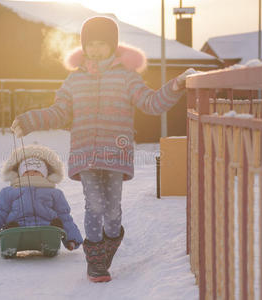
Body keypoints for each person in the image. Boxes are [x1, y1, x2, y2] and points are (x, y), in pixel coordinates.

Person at [11, 16, 196, 282]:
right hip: (85, 154)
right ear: (84, 46)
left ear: (113, 46)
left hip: (115, 156)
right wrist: (30, 121)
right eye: (91, 44)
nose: (96, 50)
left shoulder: (127, 77)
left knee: (112, 213)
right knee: (94, 205)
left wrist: (176, 85)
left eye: (102, 44)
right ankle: (95, 262)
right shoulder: (73, 81)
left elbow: (151, 103)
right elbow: (59, 112)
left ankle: (110, 242)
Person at [0, 144, 83, 251]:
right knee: (11, 227)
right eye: (27, 172)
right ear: (20, 174)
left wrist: (72, 239)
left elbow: (64, 217)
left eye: (36, 171)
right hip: (17, 228)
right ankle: (10, 245)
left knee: (56, 225)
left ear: (45, 174)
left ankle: (50, 244)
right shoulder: (9, 192)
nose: (31, 174)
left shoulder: (55, 193)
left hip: (47, 228)